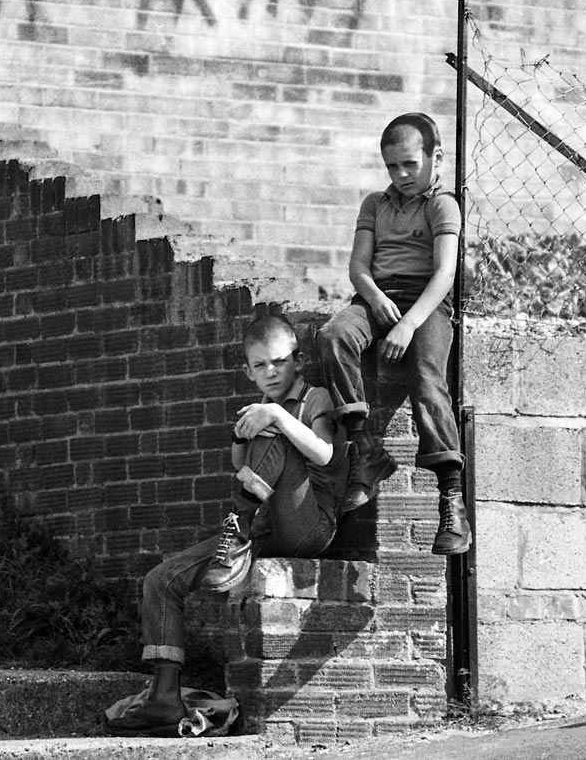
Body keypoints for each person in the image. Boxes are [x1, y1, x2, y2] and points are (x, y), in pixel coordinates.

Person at [103, 313, 349, 737]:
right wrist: (243, 434)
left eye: (278, 362)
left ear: (299, 360)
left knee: (274, 431)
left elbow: (324, 453)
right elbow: (241, 466)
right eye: (259, 366)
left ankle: (236, 533)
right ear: (247, 371)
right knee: (161, 580)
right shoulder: (259, 407)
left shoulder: (315, 398)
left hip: (309, 522)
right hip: (264, 524)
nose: (270, 372)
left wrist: (275, 415)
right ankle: (163, 698)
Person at [316, 112, 472, 556]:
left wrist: (408, 323)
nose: (401, 175)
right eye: (392, 167)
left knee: (426, 375)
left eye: (410, 164)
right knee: (333, 336)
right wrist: (374, 297)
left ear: (434, 157)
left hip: (426, 305)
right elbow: (357, 267)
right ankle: (365, 448)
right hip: (378, 299)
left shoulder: (442, 205)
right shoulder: (374, 205)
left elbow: (444, 274)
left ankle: (451, 499)